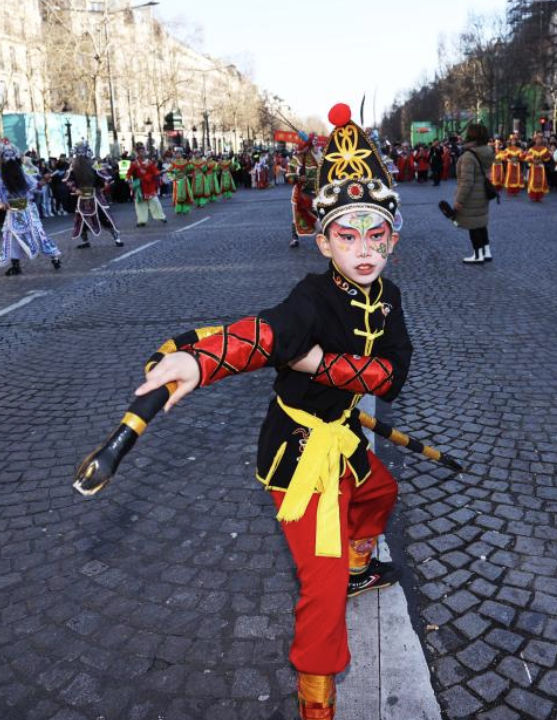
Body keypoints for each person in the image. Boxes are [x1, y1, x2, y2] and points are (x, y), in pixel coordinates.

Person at [91, 104, 412, 720]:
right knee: (319, 595)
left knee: (380, 494)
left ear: (393, 239)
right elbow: (267, 334)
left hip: (344, 440)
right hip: (299, 458)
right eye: (348, 234)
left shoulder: (390, 297)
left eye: (376, 235)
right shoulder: (310, 298)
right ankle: (315, 704)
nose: (364, 249)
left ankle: (359, 566)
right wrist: (200, 361)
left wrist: (316, 363)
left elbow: (393, 375)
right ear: (323, 240)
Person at [0, 140, 61, 276]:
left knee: (38, 233)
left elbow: (34, 185)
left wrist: (43, 182)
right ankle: (15, 265)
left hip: (27, 209)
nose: (10, 160)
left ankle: (54, 257)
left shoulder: (21, 172)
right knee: (10, 238)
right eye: (6, 157)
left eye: (11, 157)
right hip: (11, 212)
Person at [452, 122, 496, 264]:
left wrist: (459, 200)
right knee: (481, 223)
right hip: (483, 193)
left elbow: (466, 182)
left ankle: (478, 255)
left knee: (473, 225)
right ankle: (486, 251)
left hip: (472, 196)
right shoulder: (487, 151)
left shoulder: (469, 156)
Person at [66, 141, 122, 248]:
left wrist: (105, 183)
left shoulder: (93, 164)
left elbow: (105, 176)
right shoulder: (73, 166)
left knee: (104, 216)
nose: (81, 154)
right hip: (82, 197)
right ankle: (85, 241)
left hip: (95, 195)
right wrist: (74, 188)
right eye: (79, 152)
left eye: (82, 151)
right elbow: (69, 179)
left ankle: (117, 238)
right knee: (80, 220)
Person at [287, 133, 320, 248]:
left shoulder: (319, 157)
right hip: (301, 193)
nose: (316, 147)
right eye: (314, 144)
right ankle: (295, 238)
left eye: (317, 144)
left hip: (317, 192)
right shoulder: (297, 158)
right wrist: (298, 178)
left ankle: (324, 237)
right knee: (297, 216)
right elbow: (289, 175)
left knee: (320, 216)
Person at [127, 144, 167, 227]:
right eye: (139, 152)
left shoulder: (149, 162)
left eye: (143, 151)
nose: (141, 153)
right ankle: (141, 221)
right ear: (137, 153)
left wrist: (158, 173)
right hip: (140, 187)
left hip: (149, 185)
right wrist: (130, 182)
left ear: (145, 152)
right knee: (140, 203)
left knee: (155, 201)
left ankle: (161, 217)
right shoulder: (134, 163)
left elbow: (155, 171)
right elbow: (128, 174)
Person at [525, 133, 551, 202]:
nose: (538, 140)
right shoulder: (531, 149)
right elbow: (528, 157)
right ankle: (533, 195)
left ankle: (539, 195)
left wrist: (541, 159)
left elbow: (547, 158)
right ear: (535, 140)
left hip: (541, 166)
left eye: (540, 139)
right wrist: (533, 160)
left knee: (540, 181)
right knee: (533, 181)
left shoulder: (544, 149)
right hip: (534, 167)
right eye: (537, 139)